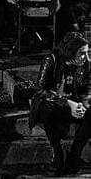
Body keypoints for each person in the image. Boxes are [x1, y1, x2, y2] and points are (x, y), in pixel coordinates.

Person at [29, 32, 91, 175]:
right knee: (46, 107)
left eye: (87, 53)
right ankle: (57, 154)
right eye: (82, 53)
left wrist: (84, 104)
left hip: (75, 106)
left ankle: (74, 156)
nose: (86, 57)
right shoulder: (51, 59)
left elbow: (88, 88)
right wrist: (67, 103)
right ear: (71, 52)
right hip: (54, 105)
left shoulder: (86, 64)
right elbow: (40, 90)